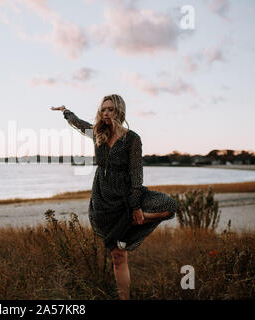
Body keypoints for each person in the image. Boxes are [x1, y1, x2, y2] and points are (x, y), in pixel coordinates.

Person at [50, 94, 177, 300]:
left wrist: (136, 207)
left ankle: (135, 218)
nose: (105, 113)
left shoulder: (132, 139)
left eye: (110, 109)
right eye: (103, 109)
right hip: (103, 199)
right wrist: (66, 112)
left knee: (169, 205)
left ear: (119, 110)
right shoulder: (98, 133)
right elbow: (78, 123)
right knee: (118, 257)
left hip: (127, 196)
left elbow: (137, 175)